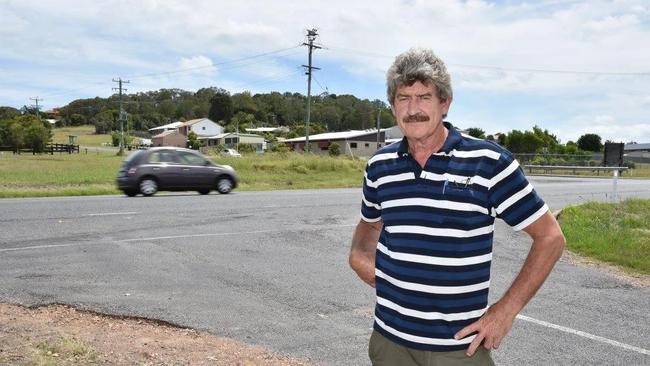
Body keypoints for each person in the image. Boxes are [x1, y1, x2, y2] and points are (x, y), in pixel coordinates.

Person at [349, 48, 566, 365]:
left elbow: (550, 237)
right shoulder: (380, 165)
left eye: (424, 97)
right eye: (403, 98)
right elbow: (369, 223)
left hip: (457, 348)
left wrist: (504, 312)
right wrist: (358, 255)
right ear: (393, 106)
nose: (413, 109)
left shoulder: (488, 163)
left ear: (445, 103)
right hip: (389, 340)